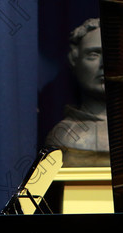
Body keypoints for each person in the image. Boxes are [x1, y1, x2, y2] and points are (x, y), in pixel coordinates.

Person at [44, 18, 109, 167]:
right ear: (75, 61)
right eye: (93, 54)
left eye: (112, 54)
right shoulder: (62, 136)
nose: (104, 63)